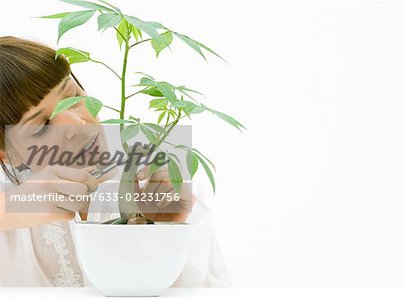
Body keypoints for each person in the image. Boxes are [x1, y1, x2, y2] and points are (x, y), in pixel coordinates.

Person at [0, 36, 231, 287]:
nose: (77, 124)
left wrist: (166, 233)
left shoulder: (151, 182)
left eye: (73, 96)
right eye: (42, 126)